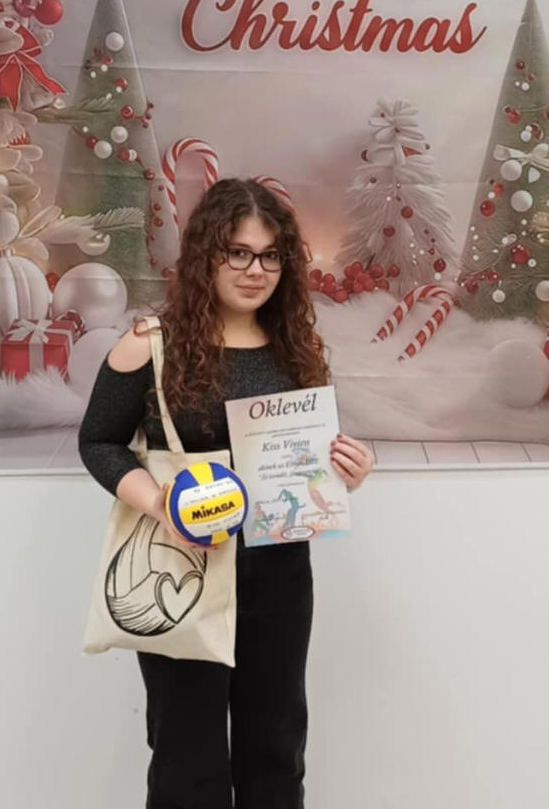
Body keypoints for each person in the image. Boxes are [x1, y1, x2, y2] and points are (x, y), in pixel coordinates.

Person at [78, 178, 374, 809]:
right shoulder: (150, 344)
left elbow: (311, 456)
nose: (254, 270)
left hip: (279, 576)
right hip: (180, 570)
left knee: (276, 753)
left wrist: (349, 467)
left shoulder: (295, 348)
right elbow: (98, 442)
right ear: (206, 255)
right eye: (237, 252)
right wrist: (160, 503)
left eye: (270, 255)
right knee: (187, 762)